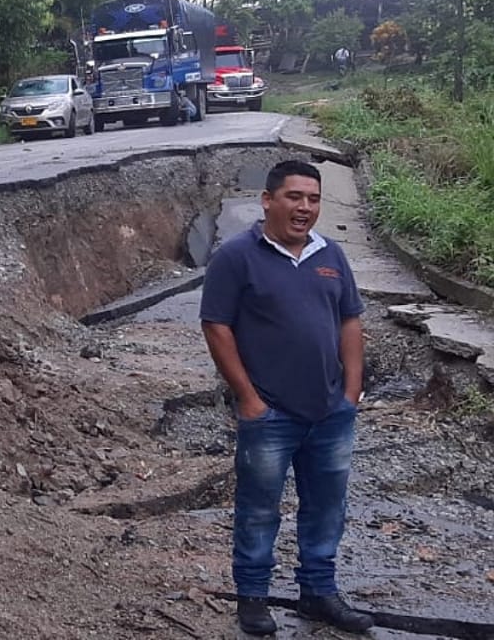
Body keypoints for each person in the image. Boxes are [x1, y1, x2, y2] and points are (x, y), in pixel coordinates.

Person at [200, 160, 373, 637]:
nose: (304, 208)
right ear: (268, 200)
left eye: (313, 199)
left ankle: (319, 592)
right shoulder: (237, 257)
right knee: (259, 510)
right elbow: (216, 325)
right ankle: (253, 598)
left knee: (326, 507)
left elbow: (350, 321)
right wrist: (249, 398)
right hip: (270, 415)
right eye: (294, 197)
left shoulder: (331, 254)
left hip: (330, 413)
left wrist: (351, 392)